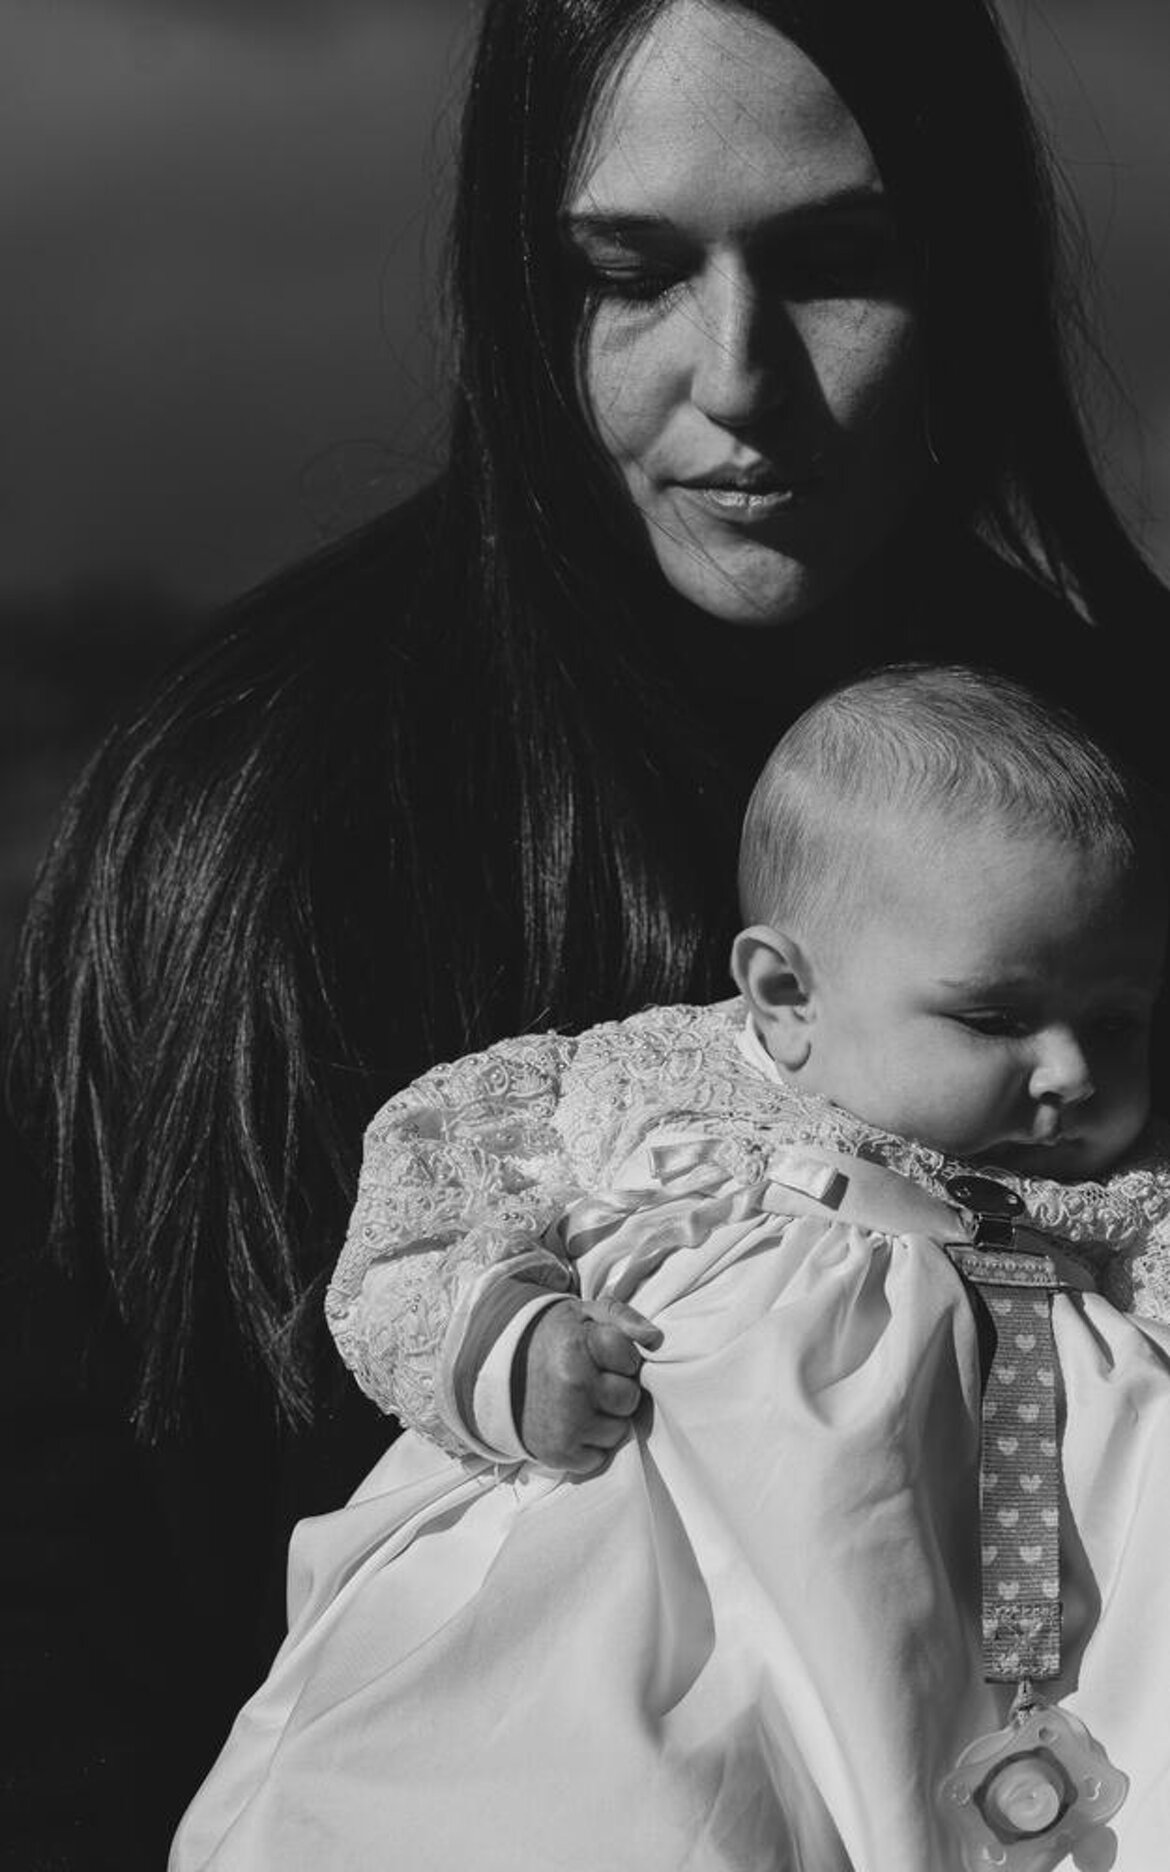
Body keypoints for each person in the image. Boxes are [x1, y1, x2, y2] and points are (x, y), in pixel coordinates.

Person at [5, 1, 1170, 1864]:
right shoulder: (262, 808)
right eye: (627, 274)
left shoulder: (1133, 767)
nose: (738, 376)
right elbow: (77, 1587)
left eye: (837, 262)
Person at [167, 663, 1170, 1871]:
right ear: (785, 992)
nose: (1068, 1073)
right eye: (997, 1020)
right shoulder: (668, 1097)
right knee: (622, 1800)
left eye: (1113, 1023)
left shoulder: (1115, 1208)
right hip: (675, 1592)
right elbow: (429, 1192)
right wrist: (510, 1344)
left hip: (981, 1655)